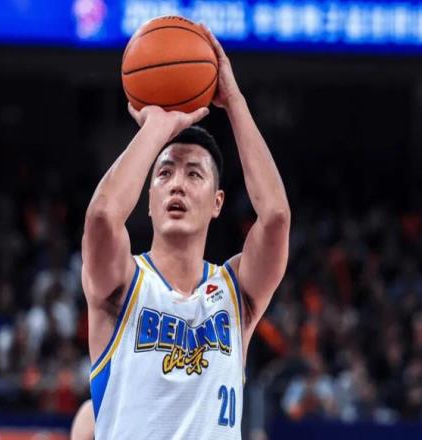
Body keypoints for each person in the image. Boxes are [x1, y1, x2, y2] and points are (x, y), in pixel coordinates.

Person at [81, 25, 290, 439]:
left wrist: (234, 101)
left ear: (217, 203)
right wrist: (156, 128)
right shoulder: (122, 283)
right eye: (164, 173)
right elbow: (102, 218)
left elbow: (276, 218)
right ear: (148, 199)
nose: (177, 184)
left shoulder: (236, 293)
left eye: (194, 174)